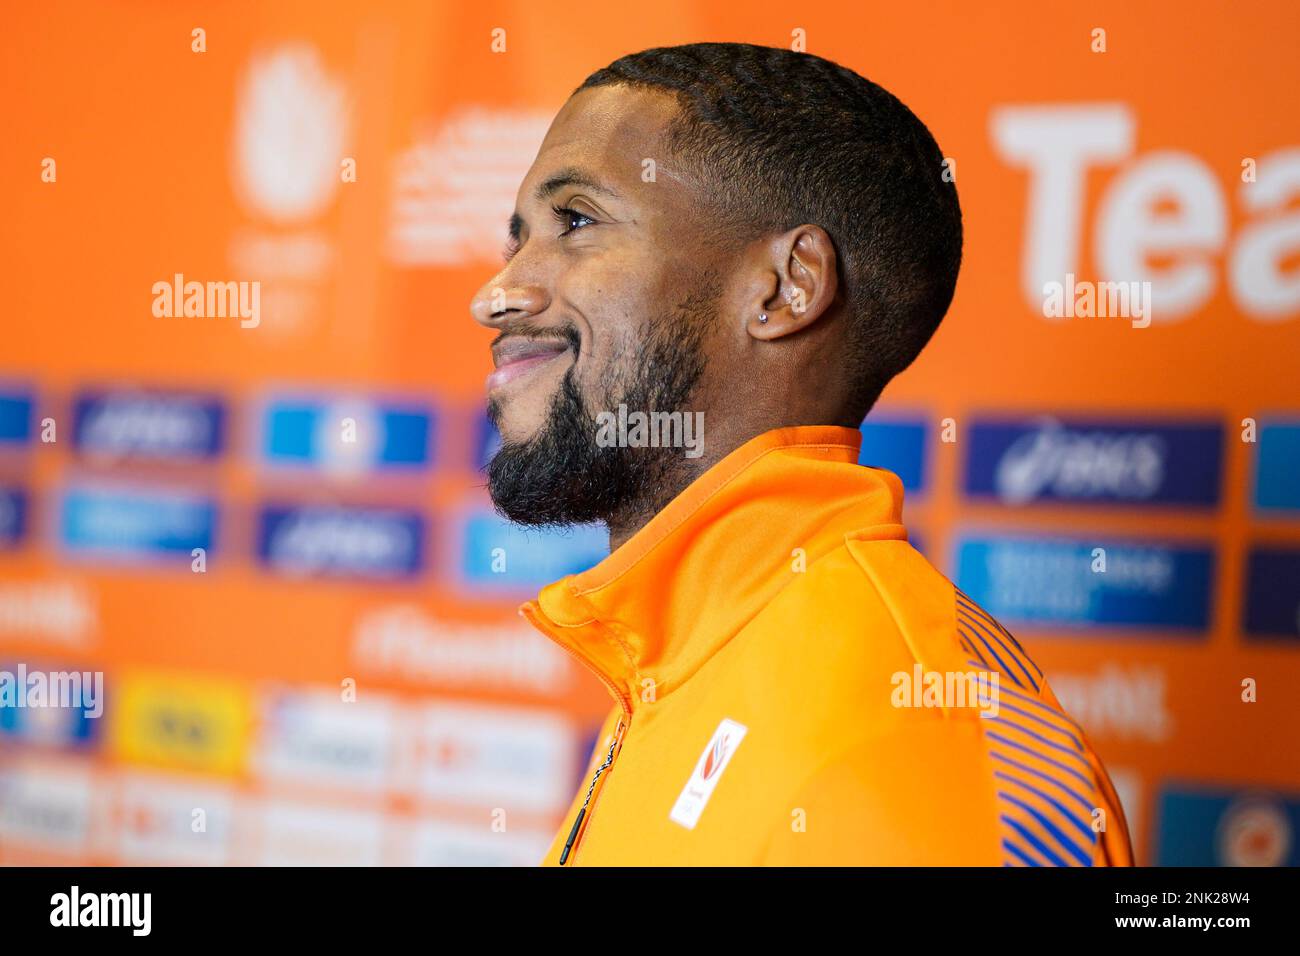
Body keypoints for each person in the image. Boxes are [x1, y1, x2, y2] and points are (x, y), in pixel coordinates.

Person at [469, 41, 1133, 866]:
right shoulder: (679, 656)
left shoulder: (919, 742)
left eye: (576, 222)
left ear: (787, 288)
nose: (495, 295)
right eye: (517, 238)